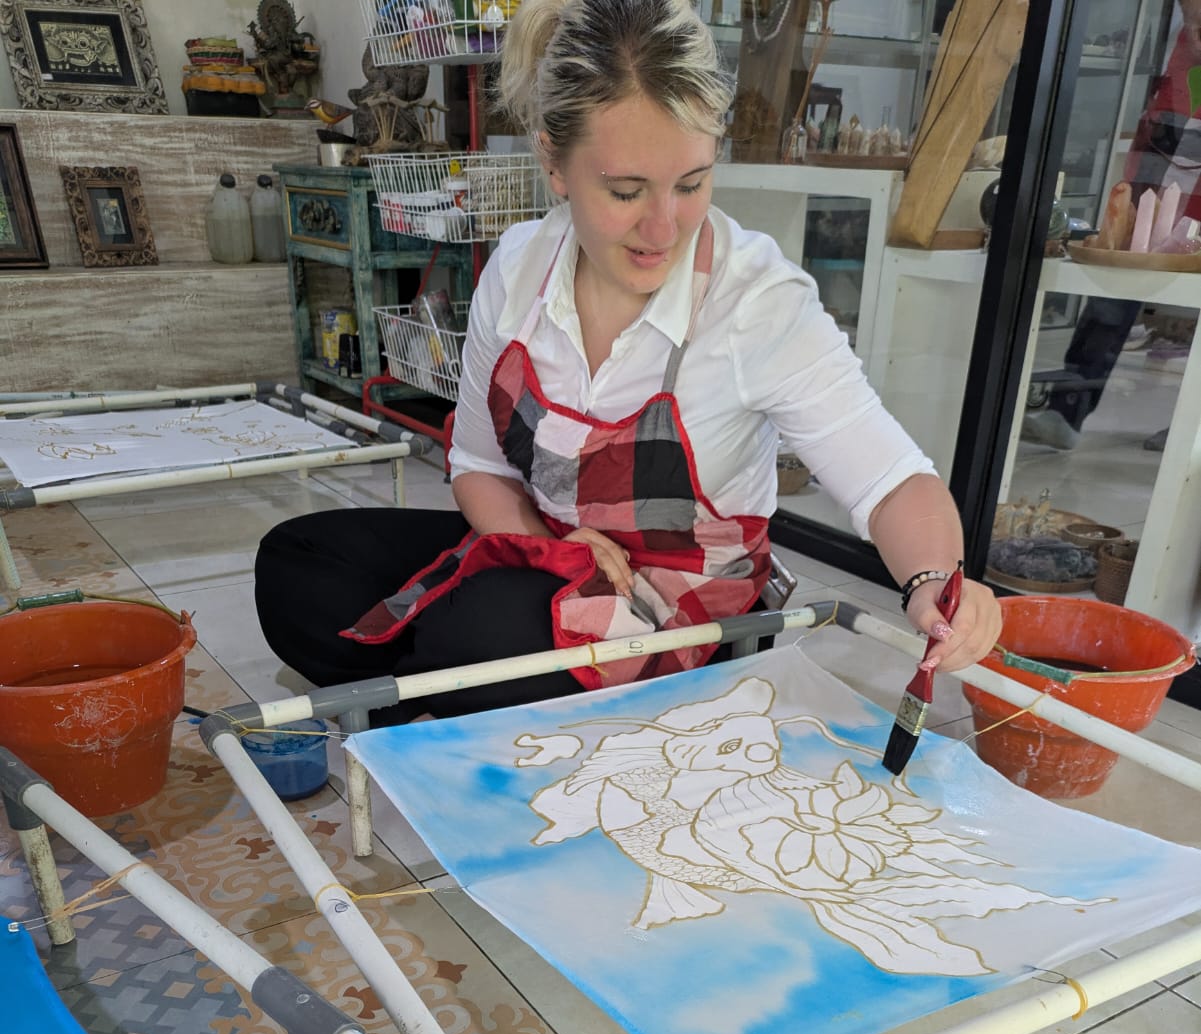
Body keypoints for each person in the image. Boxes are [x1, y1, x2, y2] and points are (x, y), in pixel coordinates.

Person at [255, 0, 1000, 722]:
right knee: (301, 562)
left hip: (685, 608)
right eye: (623, 190)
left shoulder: (756, 301)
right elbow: (478, 467)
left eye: (691, 184)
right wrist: (553, 552)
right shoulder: (517, 272)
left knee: (477, 635)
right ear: (554, 162)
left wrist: (934, 580)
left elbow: (888, 479)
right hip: (543, 552)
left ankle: (439, 686)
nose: (662, 227)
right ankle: (456, 690)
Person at [1023, 0, 1201, 454]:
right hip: (1176, 120)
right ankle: (1068, 409)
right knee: (1123, 262)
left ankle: (1191, 428)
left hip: (1178, 114)